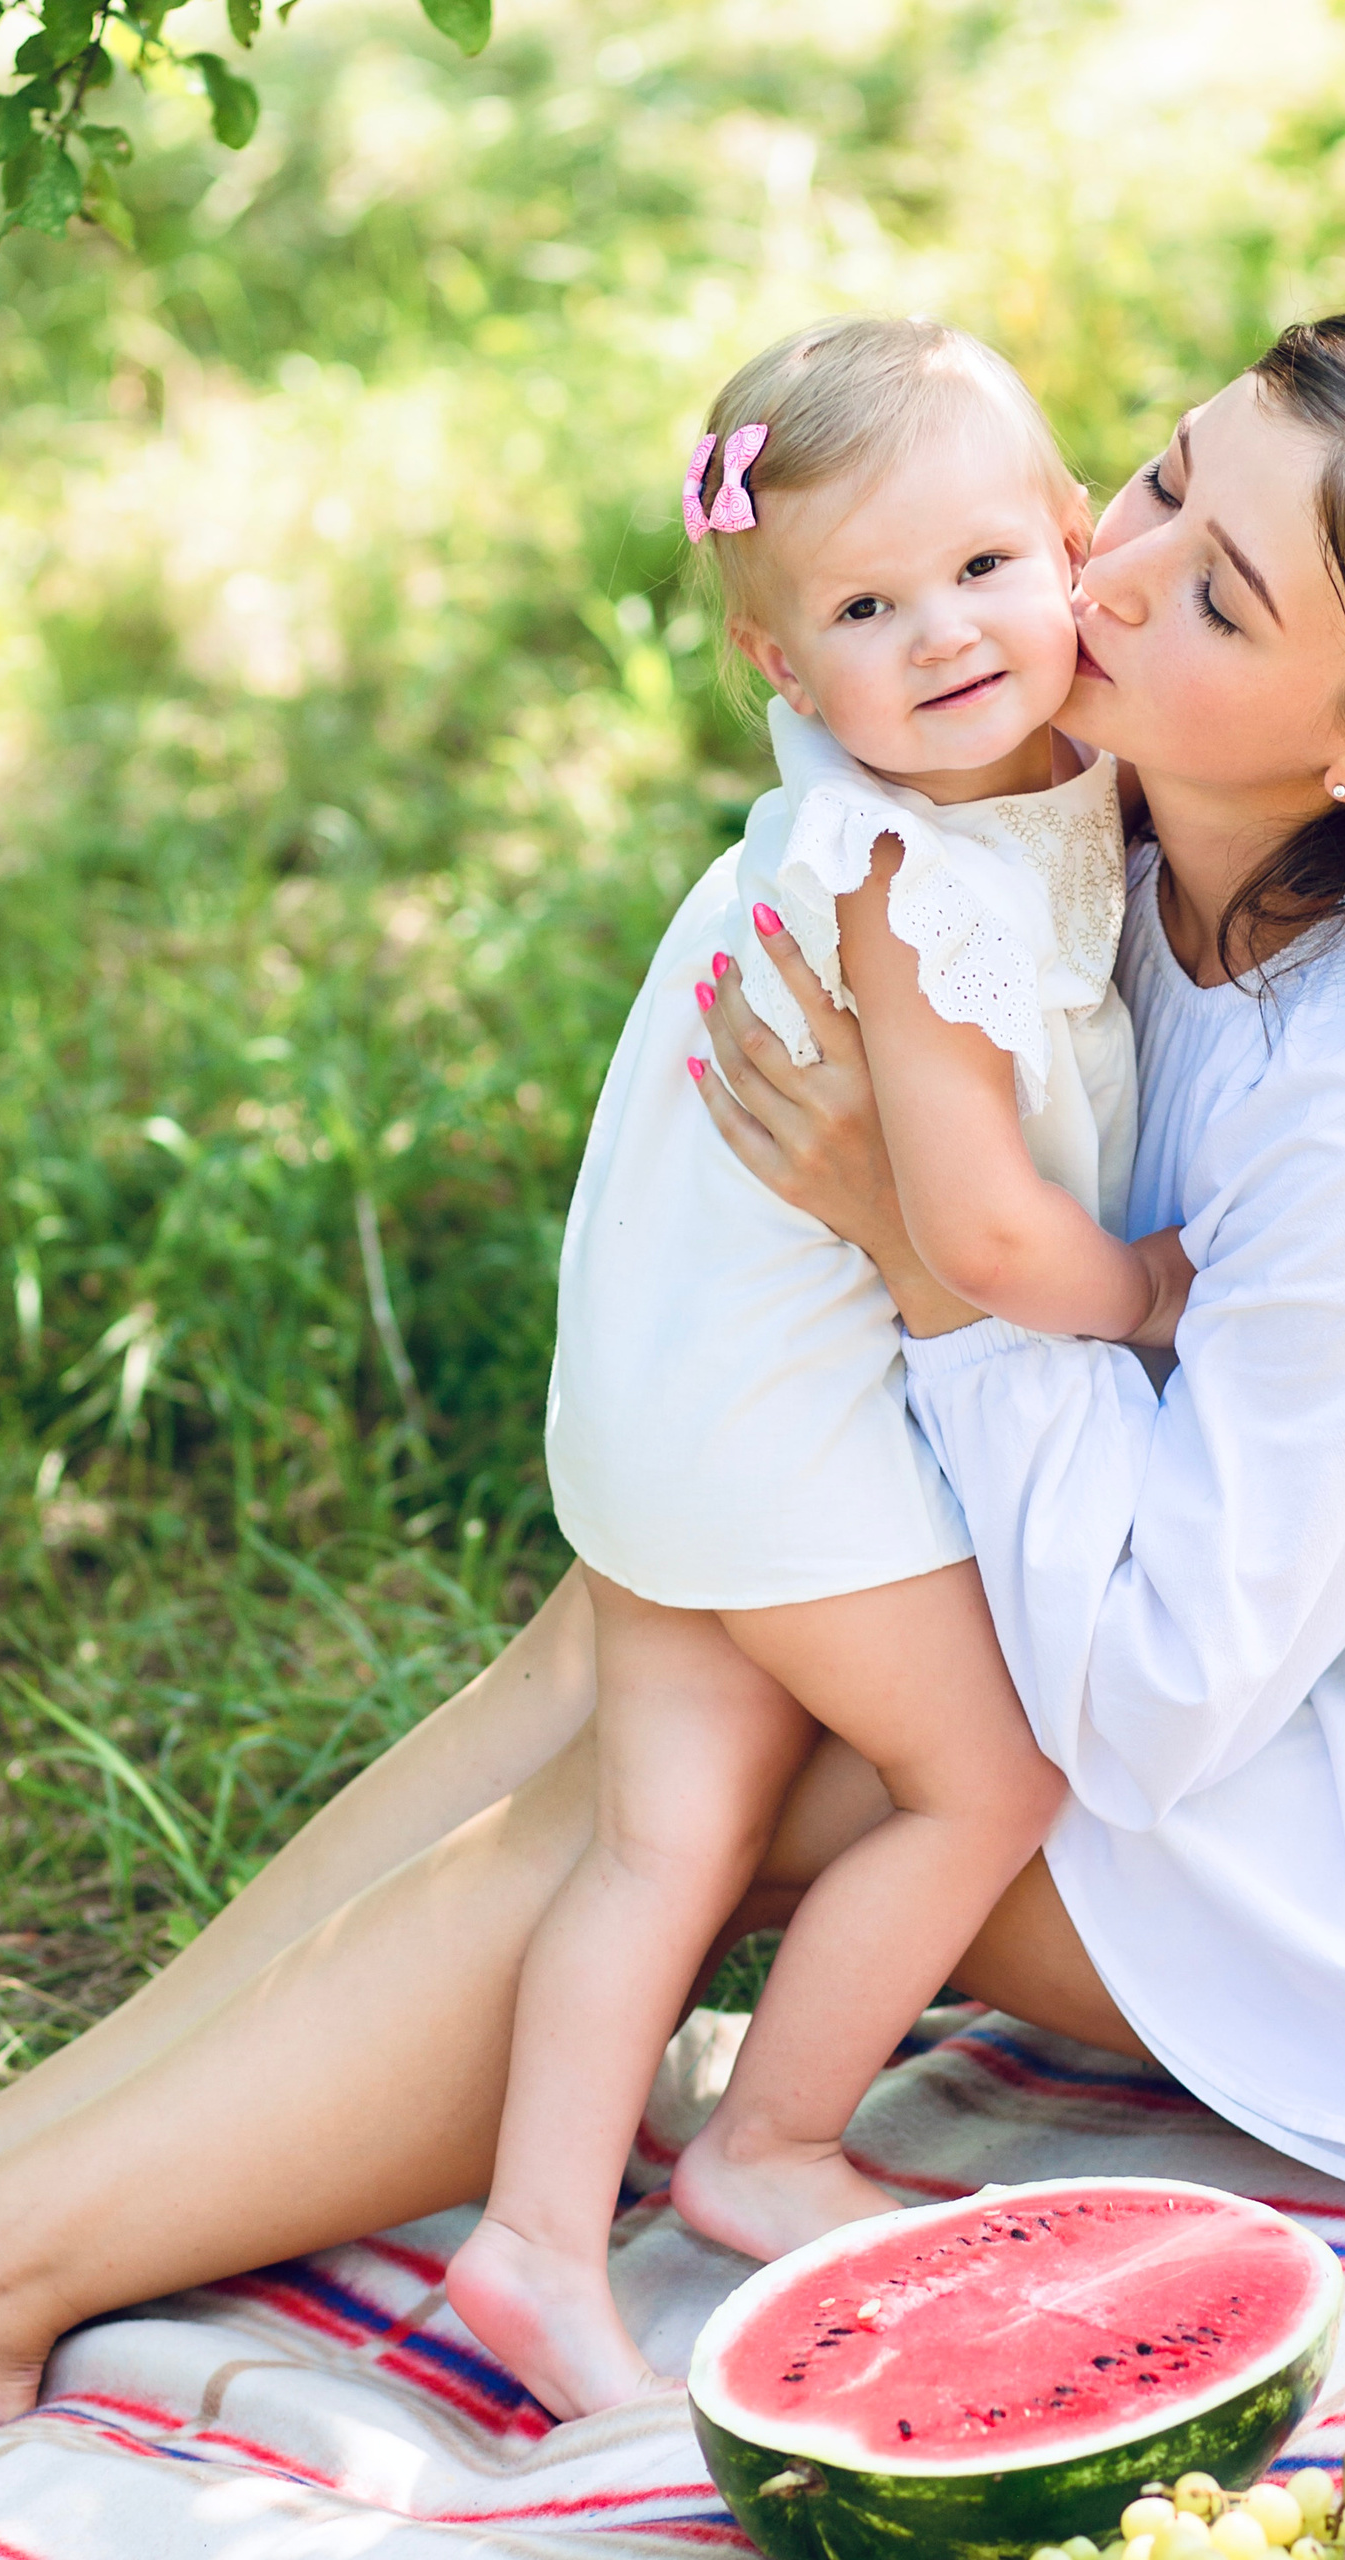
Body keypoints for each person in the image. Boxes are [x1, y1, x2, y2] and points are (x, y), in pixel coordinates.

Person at [0, 315, 1345, 2447]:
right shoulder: (1123, 816)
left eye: (1209, 592)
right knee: (657, 1617)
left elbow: (1156, 1690)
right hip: (1309, 1596)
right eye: (1165, 478)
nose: (1101, 574)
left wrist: (934, 1270)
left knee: (763, 1737)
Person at [454, 314, 1193, 2419]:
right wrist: (1145, 1289)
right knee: (988, 1774)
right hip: (773, 1440)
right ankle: (762, 2139)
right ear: (784, 673)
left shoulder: (999, 791)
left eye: (978, 568)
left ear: (1070, 544)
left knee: (663, 1833)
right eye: (865, 608)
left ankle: (528, 2234)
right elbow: (967, 1231)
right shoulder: (899, 873)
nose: (943, 635)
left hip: (659, 1402)